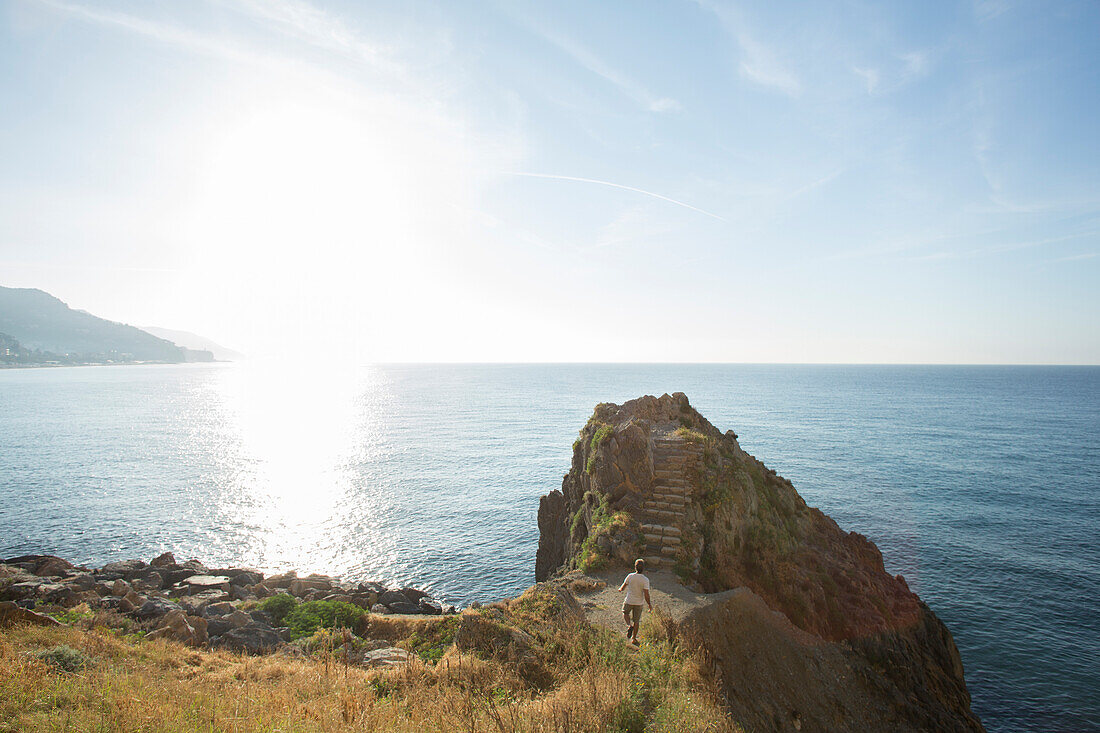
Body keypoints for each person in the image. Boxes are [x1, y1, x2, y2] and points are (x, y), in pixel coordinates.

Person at [619, 558, 652, 645]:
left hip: (629, 600)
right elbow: (646, 594)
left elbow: (624, 585)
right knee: (636, 621)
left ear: (635, 567)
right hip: (639, 602)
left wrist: (620, 589)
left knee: (625, 612)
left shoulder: (630, 576)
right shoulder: (645, 580)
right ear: (643, 568)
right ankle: (634, 638)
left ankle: (629, 625)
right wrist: (649, 605)